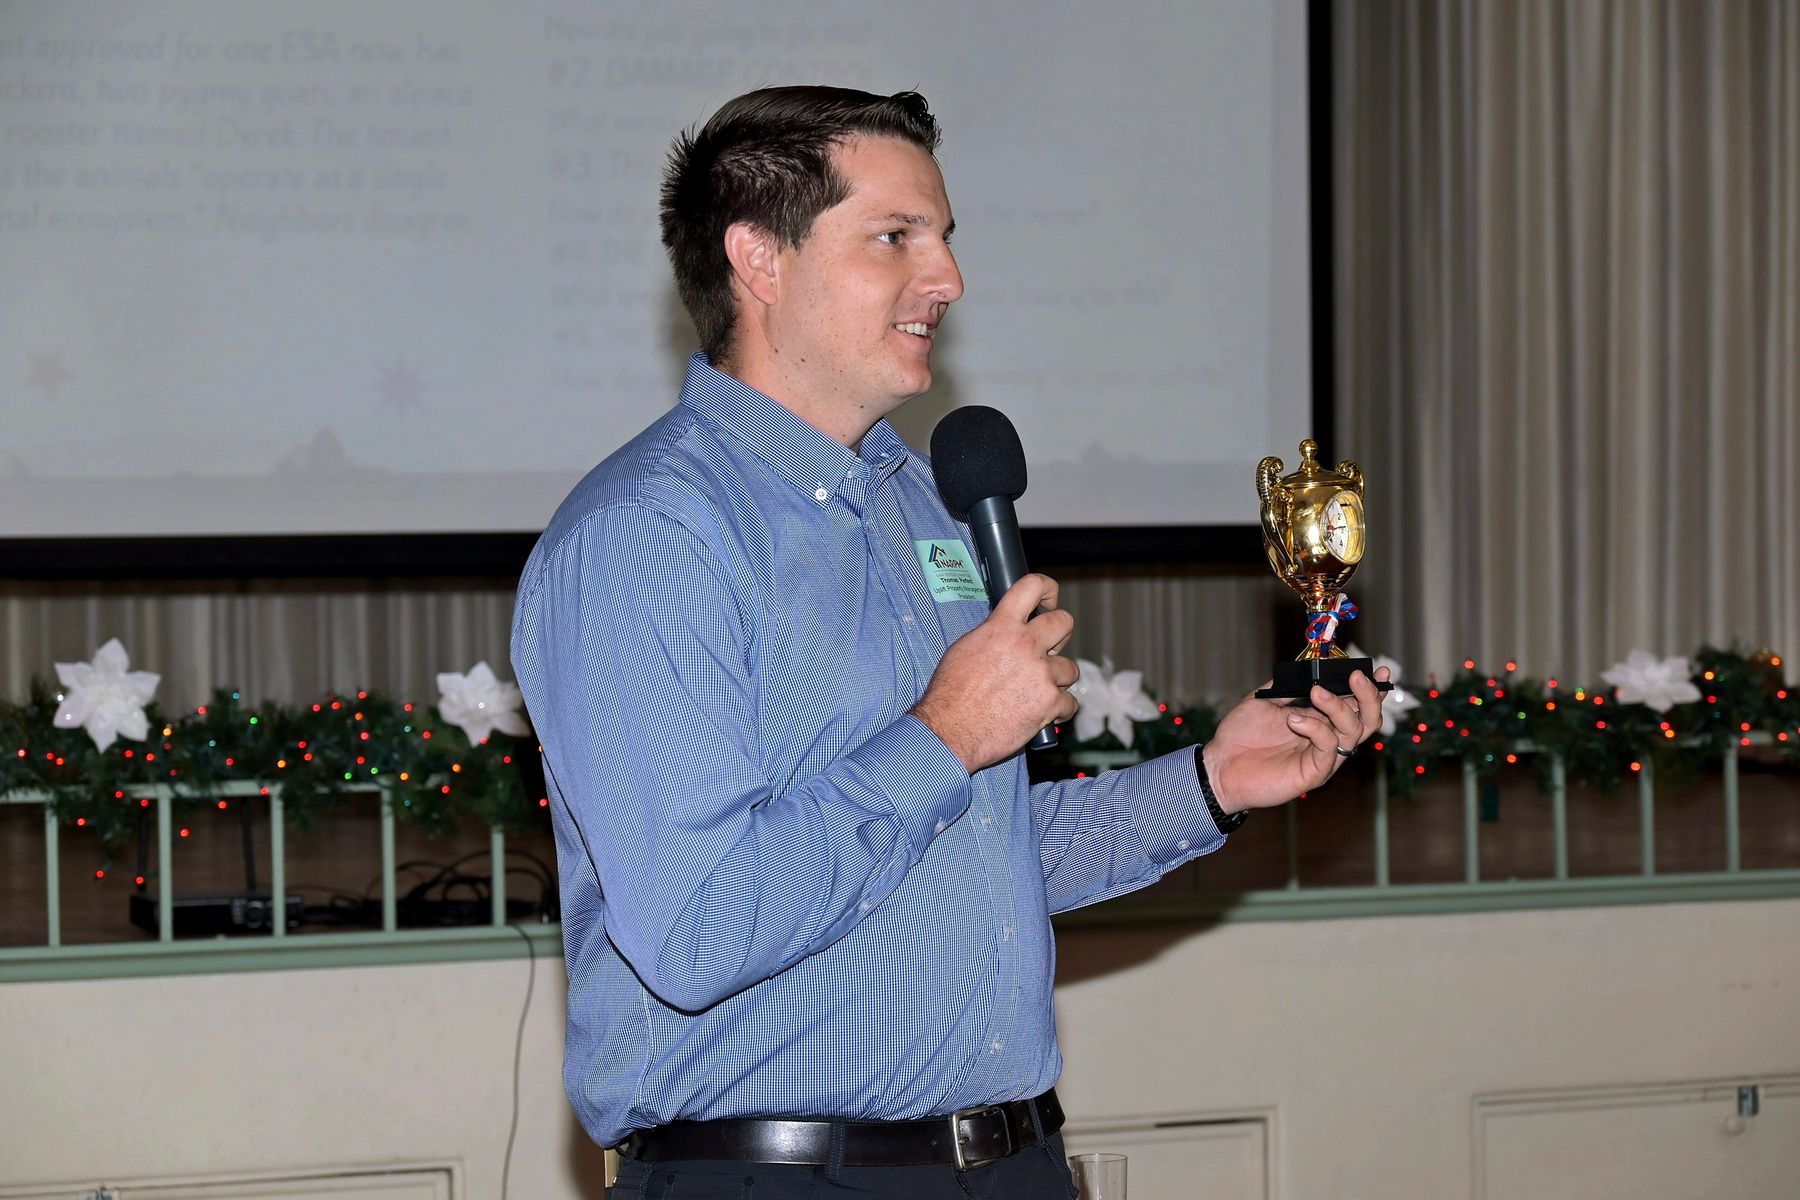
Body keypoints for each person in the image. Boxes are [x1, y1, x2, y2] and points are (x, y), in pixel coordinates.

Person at [510, 85, 1388, 1200]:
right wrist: (945, 733)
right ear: (759, 258)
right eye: (896, 237)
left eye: (946, 237)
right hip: (778, 1179)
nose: (949, 279)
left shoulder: (924, 502)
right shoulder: (648, 535)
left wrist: (1211, 784)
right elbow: (698, 928)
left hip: (1012, 1166)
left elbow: (968, 853)